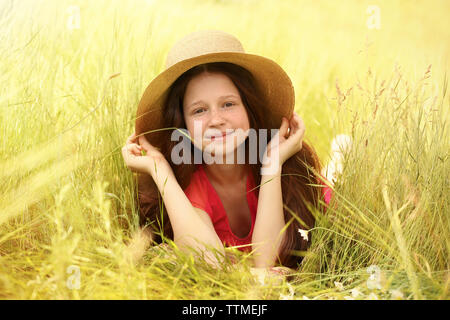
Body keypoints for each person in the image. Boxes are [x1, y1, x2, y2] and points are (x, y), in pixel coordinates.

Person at [122, 30, 331, 270]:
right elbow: (208, 262)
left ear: (248, 109)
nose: (216, 119)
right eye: (199, 110)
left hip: (323, 196)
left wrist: (273, 164)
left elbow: (269, 259)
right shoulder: (193, 185)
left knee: (336, 171)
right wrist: (159, 169)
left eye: (228, 104)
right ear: (184, 126)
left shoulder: (288, 170)